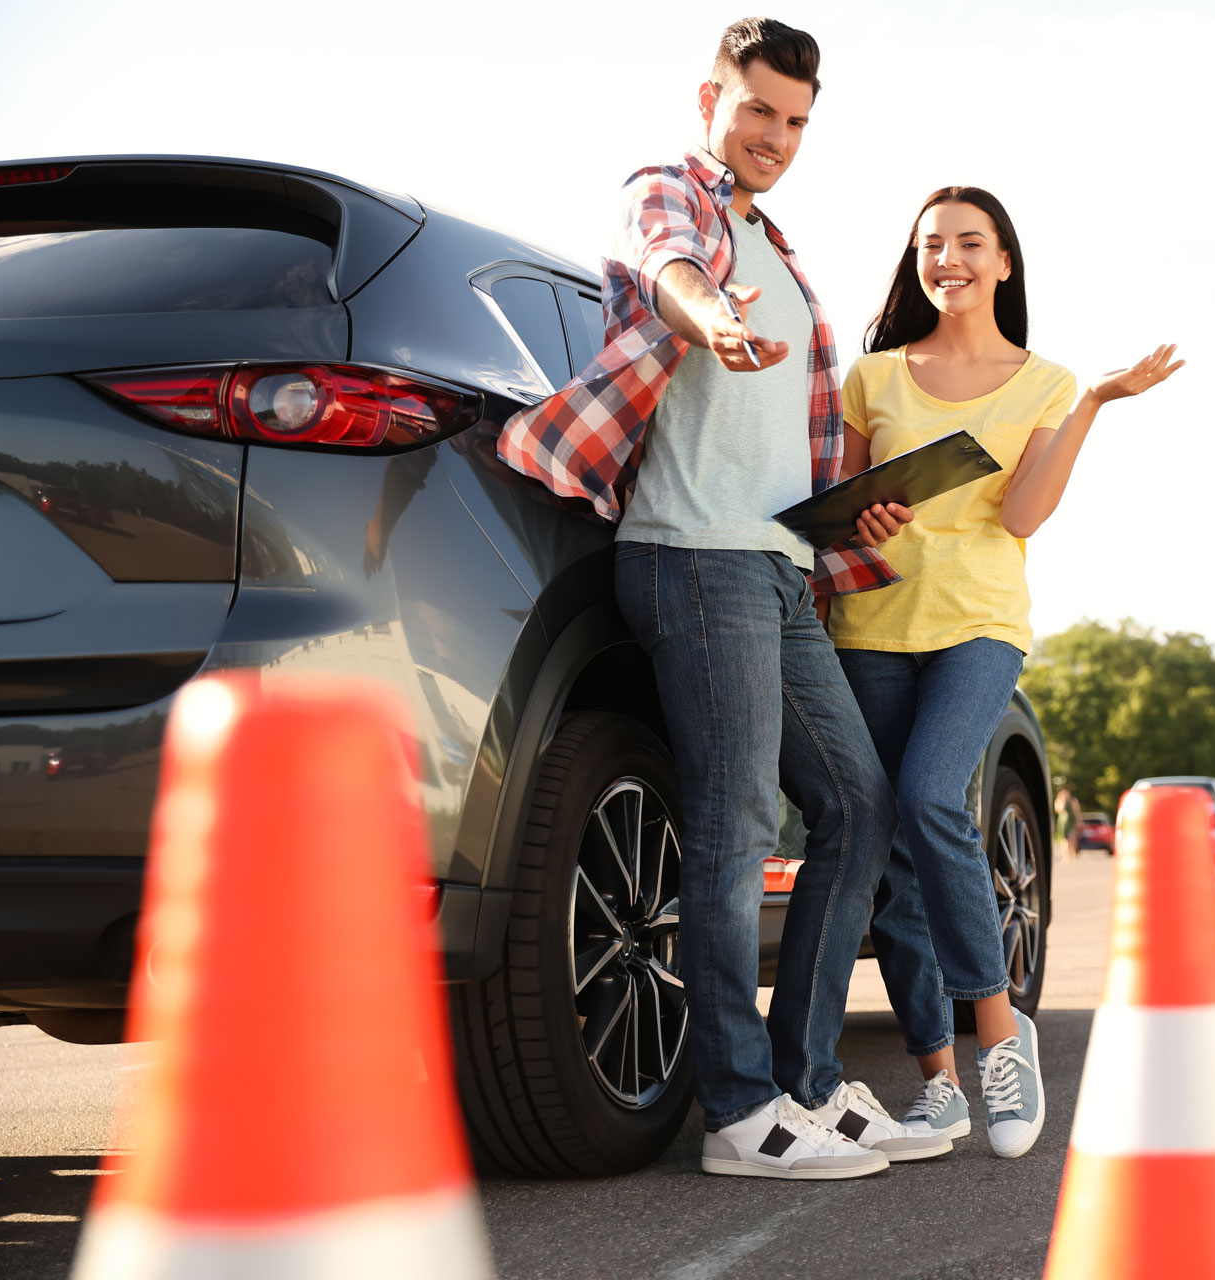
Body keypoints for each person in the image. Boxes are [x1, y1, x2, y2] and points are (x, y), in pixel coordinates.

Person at [498, 17, 934, 1181]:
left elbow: (785, 446)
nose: (776, 137)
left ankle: (806, 1081)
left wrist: (853, 510)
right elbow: (667, 266)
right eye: (758, 111)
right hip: (692, 557)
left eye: (795, 121)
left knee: (859, 806)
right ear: (711, 99)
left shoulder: (778, 247)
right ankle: (740, 1110)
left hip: (780, 565)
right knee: (735, 824)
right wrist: (712, 313)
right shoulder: (671, 195)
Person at [827, 186, 1183, 1158]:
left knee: (936, 792)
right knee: (897, 860)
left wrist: (1100, 402)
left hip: (979, 624)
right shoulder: (874, 377)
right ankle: (937, 1084)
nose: (949, 257)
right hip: (873, 623)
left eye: (969, 243)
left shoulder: (1048, 384)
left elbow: (1022, 514)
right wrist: (864, 518)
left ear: (1004, 262)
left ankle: (998, 1033)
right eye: (931, 243)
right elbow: (838, 512)